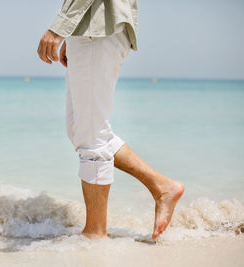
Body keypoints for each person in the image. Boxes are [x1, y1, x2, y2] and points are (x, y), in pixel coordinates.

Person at [37, 0, 184, 241]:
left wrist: (58, 28)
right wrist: (71, 33)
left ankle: (95, 233)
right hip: (89, 29)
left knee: (92, 138)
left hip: (98, 30)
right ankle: (162, 187)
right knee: (80, 132)